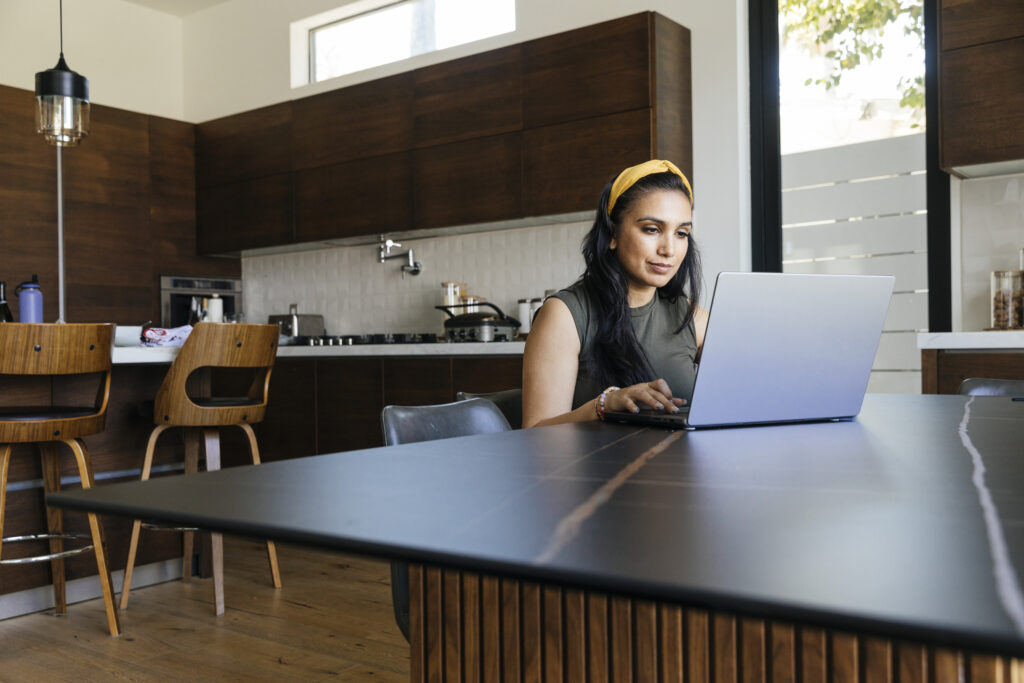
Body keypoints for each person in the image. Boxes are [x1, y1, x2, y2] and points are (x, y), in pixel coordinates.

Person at [522, 159, 709, 428]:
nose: (669, 249)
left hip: (678, 468)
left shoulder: (691, 317)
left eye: (681, 233)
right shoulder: (564, 315)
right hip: (596, 469)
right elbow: (534, 433)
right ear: (612, 233)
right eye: (652, 229)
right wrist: (604, 405)